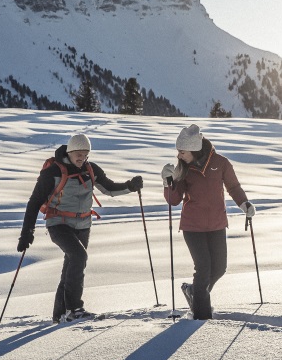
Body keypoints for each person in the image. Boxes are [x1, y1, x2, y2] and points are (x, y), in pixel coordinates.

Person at [18, 133, 144, 323]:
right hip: (59, 224)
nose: (82, 157)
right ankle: (74, 309)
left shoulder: (90, 169)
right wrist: (26, 232)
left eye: (85, 154)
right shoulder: (52, 172)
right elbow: (34, 202)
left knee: (71, 265)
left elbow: (108, 188)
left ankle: (59, 315)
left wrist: (130, 186)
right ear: (70, 151)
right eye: (79, 153)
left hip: (83, 225)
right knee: (79, 256)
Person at [162, 124, 254, 320]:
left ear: (194, 149)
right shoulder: (182, 169)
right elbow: (174, 200)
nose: (179, 155)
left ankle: (194, 292)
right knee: (203, 267)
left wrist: (244, 203)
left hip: (216, 224)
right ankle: (201, 317)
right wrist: (167, 182)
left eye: (182, 151)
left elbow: (233, 186)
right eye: (178, 151)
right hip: (192, 226)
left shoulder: (220, 163)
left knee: (219, 268)